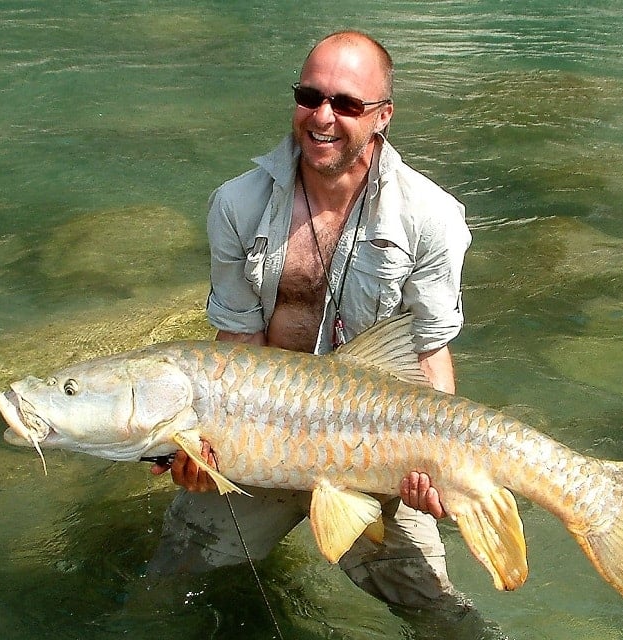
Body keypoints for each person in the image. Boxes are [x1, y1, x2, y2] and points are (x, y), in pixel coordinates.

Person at [149, 30, 473, 615]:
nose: (323, 117)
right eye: (310, 96)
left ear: (383, 116)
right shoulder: (236, 205)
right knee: (169, 589)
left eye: (346, 104)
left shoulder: (432, 217)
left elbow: (427, 350)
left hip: (372, 441)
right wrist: (202, 448)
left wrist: (432, 464)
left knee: (436, 611)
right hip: (260, 432)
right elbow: (239, 342)